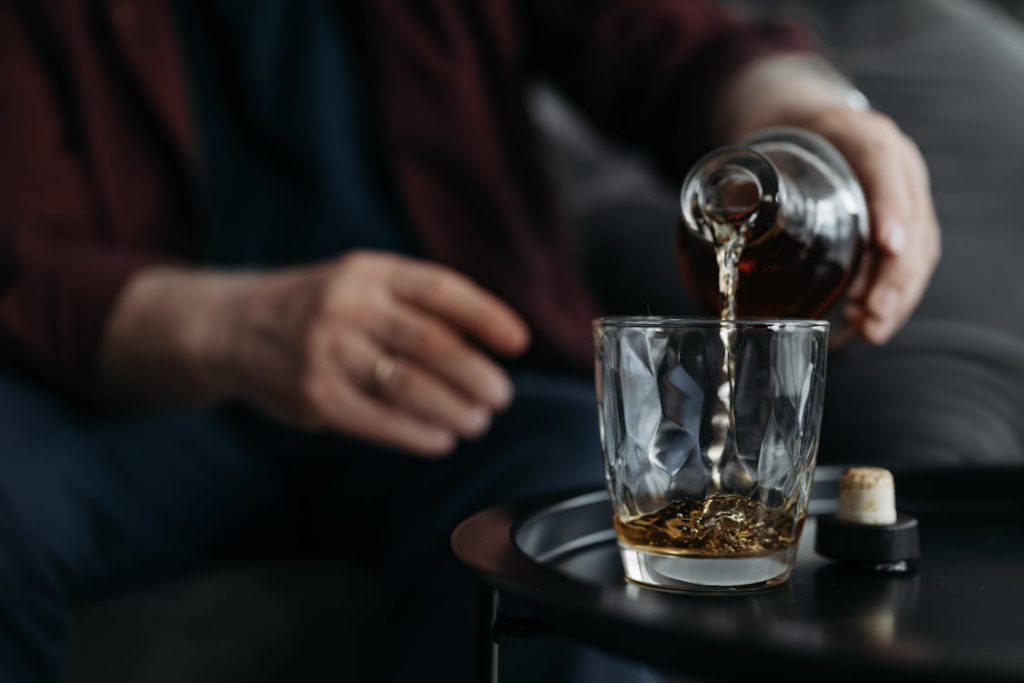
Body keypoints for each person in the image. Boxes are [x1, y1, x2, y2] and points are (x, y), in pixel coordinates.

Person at [0, 1, 939, 681]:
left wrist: (814, 113)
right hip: (127, 400)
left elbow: (663, 39)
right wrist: (223, 325)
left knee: (573, 499)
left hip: (468, 387)